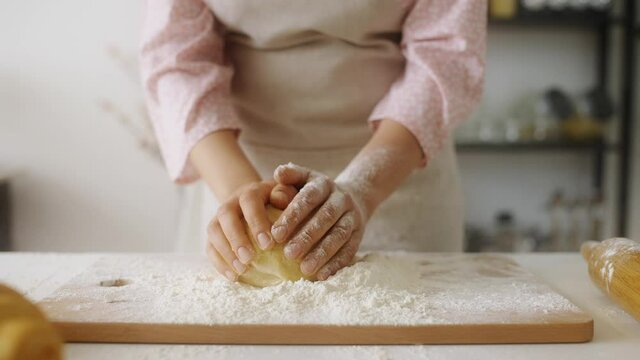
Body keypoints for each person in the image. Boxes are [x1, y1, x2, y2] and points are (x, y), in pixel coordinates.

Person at [140, 0, 486, 281]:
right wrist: (241, 193)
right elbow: (178, 59)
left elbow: (446, 55)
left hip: (398, 172)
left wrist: (363, 190)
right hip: (235, 169)